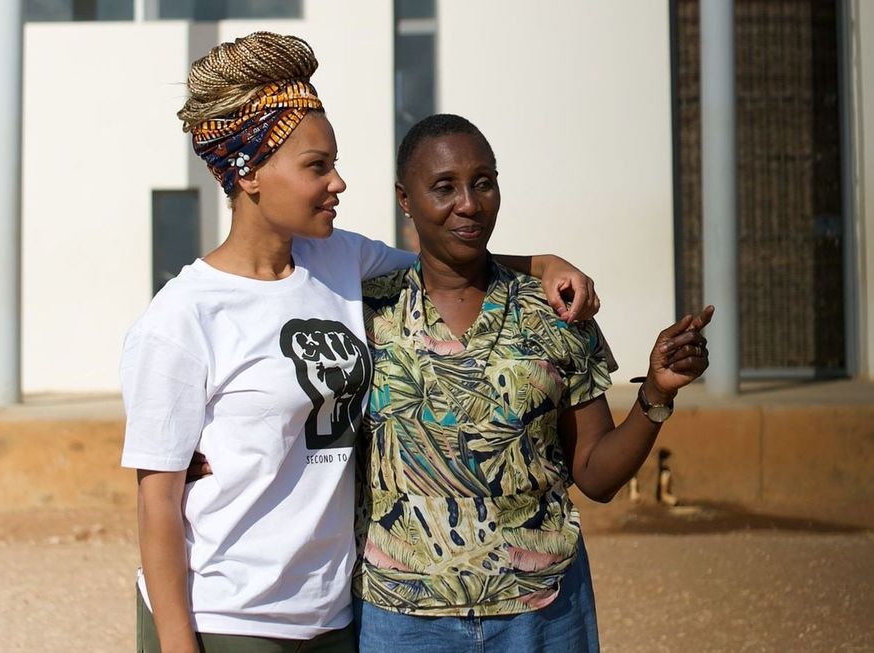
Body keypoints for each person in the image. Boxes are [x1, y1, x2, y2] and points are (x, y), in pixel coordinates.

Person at [119, 33, 600, 653]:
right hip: (229, 618)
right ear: (250, 172)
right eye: (317, 166)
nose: (339, 182)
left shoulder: (340, 259)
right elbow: (156, 503)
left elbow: (448, 258)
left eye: (335, 162)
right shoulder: (183, 316)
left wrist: (543, 263)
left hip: (335, 615)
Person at [352, 114, 713, 652]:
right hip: (403, 620)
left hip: (542, 615)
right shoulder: (363, 313)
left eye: (483, 182)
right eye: (444, 187)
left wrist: (657, 393)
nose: (469, 204)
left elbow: (595, 475)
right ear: (405, 199)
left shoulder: (554, 311)